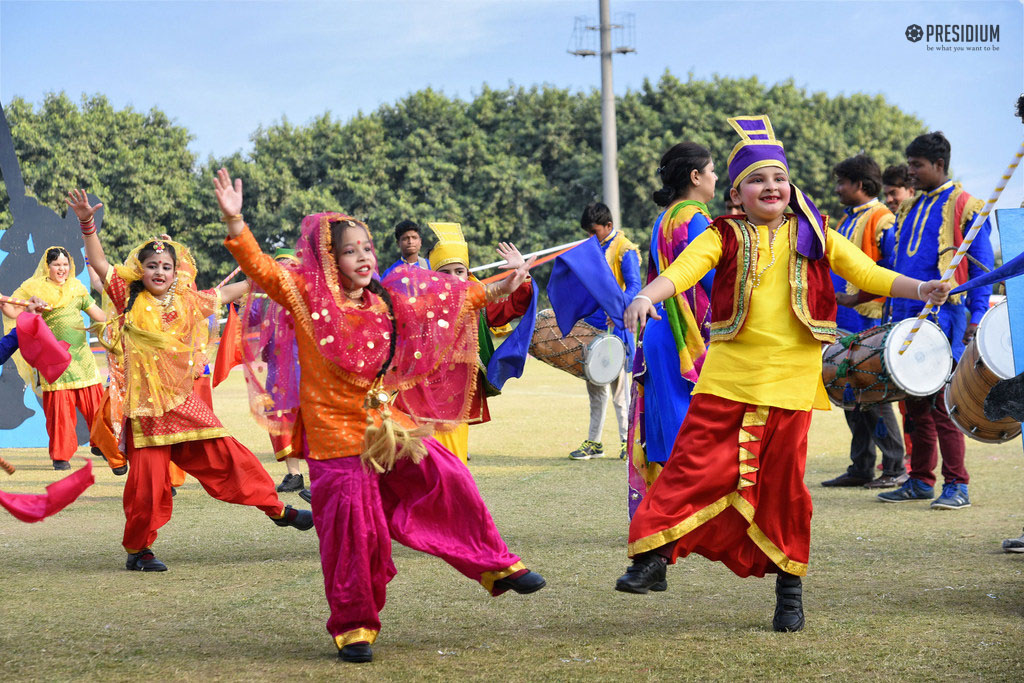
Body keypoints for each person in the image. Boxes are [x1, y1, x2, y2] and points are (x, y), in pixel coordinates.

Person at [613, 115, 949, 633]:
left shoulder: (815, 233)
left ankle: (789, 590)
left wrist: (918, 289)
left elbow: (866, 272)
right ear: (736, 193)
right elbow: (683, 270)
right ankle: (653, 557)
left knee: (783, 489)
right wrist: (644, 294)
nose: (770, 187)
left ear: (790, 187)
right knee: (690, 469)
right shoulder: (722, 235)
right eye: (757, 179)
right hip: (727, 378)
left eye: (778, 178)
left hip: (791, 383)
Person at [215, 168, 545, 664]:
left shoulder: (385, 301)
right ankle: (354, 628)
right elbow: (264, 270)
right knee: (356, 536)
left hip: (383, 427)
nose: (364, 256)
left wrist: (505, 284)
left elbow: (450, 298)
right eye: (351, 250)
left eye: (367, 247)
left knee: (448, 475)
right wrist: (236, 223)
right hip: (334, 441)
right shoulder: (307, 298)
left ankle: (497, 565)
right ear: (331, 258)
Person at [66, 189, 312, 573]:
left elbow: (231, 290)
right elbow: (98, 262)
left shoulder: (186, 300)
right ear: (140, 270)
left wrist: (265, 275)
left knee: (231, 456)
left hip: (182, 402)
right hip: (146, 411)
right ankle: (139, 550)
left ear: (175, 271)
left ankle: (278, 509)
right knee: (147, 489)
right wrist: (86, 223)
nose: (159, 272)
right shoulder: (127, 296)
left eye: (166, 266)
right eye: (152, 266)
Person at [876, 132, 994, 510]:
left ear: (939, 165)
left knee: (944, 404)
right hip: (908, 318)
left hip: (948, 318)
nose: (911, 172)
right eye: (909, 164)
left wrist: (976, 318)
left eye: (917, 165)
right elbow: (897, 266)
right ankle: (920, 480)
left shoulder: (967, 206)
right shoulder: (908, 208)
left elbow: (982, 268)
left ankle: (957, 484)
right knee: (914, 405)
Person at [627, 142, 716, 516]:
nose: (715, 179)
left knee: (665, 429)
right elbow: (713, 280)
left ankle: (661, 511)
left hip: (660, 329)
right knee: (690, 428)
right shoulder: (695, 218)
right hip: (684, 335)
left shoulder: (664, 218)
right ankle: (686, 514)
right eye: (711, 171)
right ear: (695, 177)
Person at [820, 155, 907, 490]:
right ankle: (861, 466)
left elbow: (889, 267)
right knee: (848, 390)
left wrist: (856, 299)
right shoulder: (847, 219)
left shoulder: (882, 219)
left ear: (860, 185)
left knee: (875, 393)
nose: (838, 188)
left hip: (869, 320)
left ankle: (895, 465)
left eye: (842, 182)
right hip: (844, 321)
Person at [426, 222, 536, 464]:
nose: (454, 278)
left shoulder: (480, 300)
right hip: (424, 394)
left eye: (459, 271)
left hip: (459, 393)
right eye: (445, 273)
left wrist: (522, 275)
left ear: (468, 273)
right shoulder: (422, 303)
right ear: (433, 276)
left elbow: (515, 305)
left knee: (453, 461)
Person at [1, 246, 106, 470]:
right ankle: (61, 456)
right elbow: (15, 313)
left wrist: (119, 319)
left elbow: (98, 314)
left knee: (97, 408)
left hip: (82, 360)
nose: (62, 269)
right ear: (46, 267)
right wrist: (4, 304)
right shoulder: (34, 289)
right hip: (53, 362)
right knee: (59, 413)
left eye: (65, 264)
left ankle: (104, 445)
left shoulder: (77, 288)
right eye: (57, 265)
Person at [569, 202, 641, 461]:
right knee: (595, 390)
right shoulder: (590, 250)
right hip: (592, 330)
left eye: (594, 231)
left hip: (616, 330)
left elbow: (635, 285)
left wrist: (619, 307)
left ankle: (627, 442)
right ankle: (594, 442)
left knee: (620, 394)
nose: (590, 236)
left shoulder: (625, 249)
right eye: (587, 232)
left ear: (609, 226)